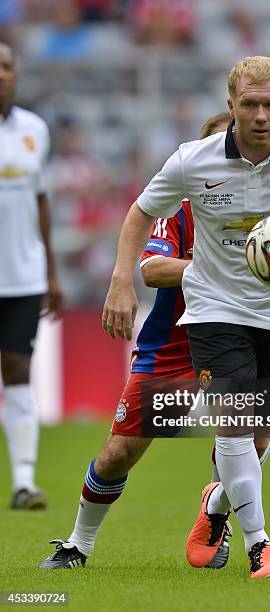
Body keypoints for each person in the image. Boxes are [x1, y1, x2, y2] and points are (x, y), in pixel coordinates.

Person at [99, 55, 270, 579]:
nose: (259, 115)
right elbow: (141, 211)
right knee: (233, 425)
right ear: (230, 106)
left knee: (255, 437)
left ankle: (215, 508)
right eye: (248, 104)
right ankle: (260, 546)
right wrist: (121, 279)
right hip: (213, 307)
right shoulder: (193, 159)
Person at [39, 112, 269, 569]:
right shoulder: (179, 209)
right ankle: (78, 544)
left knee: (253, 444)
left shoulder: (264, 212)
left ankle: (217, 510)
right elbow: (152, 269)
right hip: (175, 346)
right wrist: (217, 268)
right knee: (120, 452)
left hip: (240, 339)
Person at [0, 43, 63, 509]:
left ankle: (24, 482)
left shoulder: (34, 130)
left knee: (18, 369)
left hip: (22, 276)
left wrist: (51, 272)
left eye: (5, 66)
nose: (0, 74)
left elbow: (41, 200)